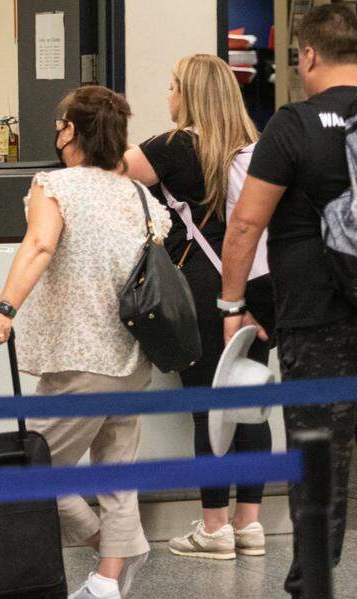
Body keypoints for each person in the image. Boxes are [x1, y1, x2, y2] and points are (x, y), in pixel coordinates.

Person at [221, 6, 357, 599]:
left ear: (308, 56)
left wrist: (231, 303)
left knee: (320, 473)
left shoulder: (291, 123)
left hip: (319, 326)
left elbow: (245, 224)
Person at [0, 85, 170, 599]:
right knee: (114, 469)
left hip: (80, 359)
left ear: (70, 130)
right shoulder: (136, 194)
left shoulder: (55, 185)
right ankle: (107, 585)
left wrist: (4, 309)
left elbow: (40, 245)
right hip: (132, 359)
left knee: (31, 467)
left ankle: (113, 550)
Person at [124, 53, 273, 560]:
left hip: (206, 290)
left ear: (188, 95)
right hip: (261, 285)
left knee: (209, 409)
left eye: (172, 87)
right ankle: (249, 523)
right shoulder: (258, 149)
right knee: (248, 405)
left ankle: (214, 528)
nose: (167, 96)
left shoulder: (174, 146)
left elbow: (109, 172)